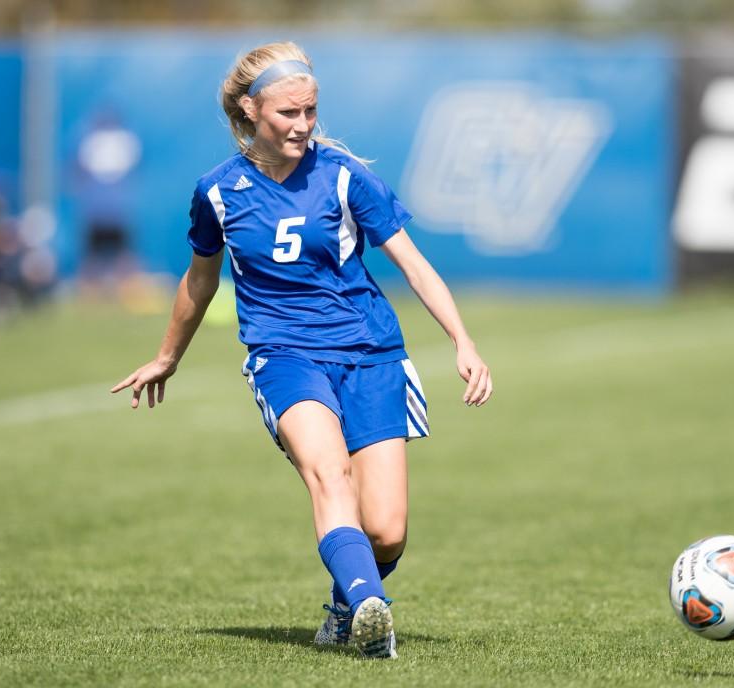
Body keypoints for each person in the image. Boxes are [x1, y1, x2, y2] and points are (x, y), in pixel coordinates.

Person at [111, 41, 493, 659]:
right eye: (288, 114)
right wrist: (168, 355)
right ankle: (374, 612)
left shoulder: (344, 176)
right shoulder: (218, 192)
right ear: (249, 110)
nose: (303, 125)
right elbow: (200, 279)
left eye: (310, 111)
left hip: (372, 354)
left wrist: (463, 340)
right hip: (284, 355)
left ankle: (347, 607)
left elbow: (414, 265)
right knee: (328, 474)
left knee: (387, 531)